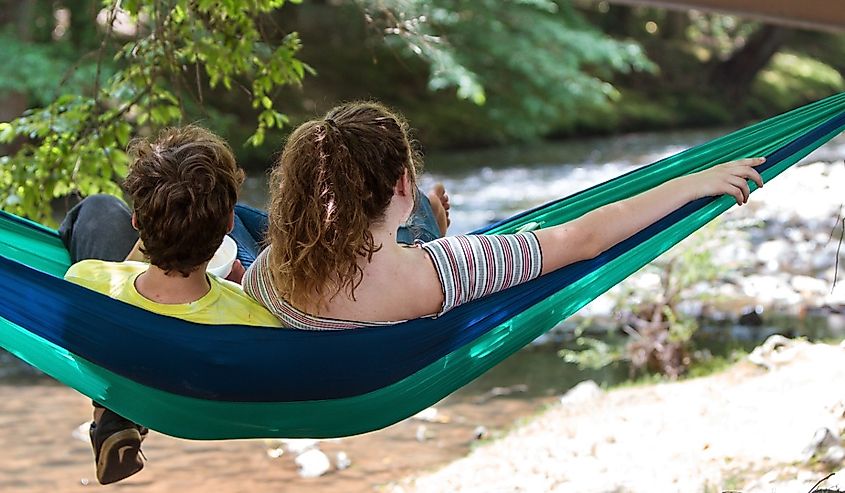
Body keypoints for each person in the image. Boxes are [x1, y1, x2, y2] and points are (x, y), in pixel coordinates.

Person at [242, 101, 764, 330]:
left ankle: (422, 221)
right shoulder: (453, 269)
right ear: (403, 181)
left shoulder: (271, 272)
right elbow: (583, 238)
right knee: (422, 225)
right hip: (414, 277)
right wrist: (690, 183)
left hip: (341, 324)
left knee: (418, 225)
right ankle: (425, 220)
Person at [59, 125, 283, 485]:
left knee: (96, 208)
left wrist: (154, 233)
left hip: (124, 353)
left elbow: (122, 270)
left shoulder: (85, 280)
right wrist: (243, 282)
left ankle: (112, 411)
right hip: (201, 385)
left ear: (136, 222)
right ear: (226, 225)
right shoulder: (253, 315)